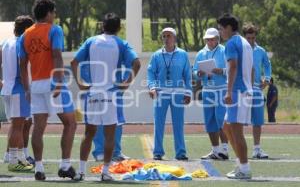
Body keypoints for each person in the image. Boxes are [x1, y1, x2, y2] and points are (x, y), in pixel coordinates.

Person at [71, 12, 140, 181]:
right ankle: (106, 172)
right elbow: (136, 63)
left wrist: (80, 83)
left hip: (93, 93)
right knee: (110, 135)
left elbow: (74, 62)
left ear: (102, 25)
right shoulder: (122, 44)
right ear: (119, 28)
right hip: (111, 94)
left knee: (89, 134)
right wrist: (126, 83)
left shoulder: (91, 41)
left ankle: (80, 171)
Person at [18, 0, 77, 180]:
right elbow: (57, 55)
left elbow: (22, 64)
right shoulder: (55, 30)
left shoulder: (25, 34)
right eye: (54, 12)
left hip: (35, 85)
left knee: (39, 127)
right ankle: (65, 165)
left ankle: (39, 168)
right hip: (53, 82)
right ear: (49, 13)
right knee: (70, 123)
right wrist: (59, 82)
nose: (55, 15)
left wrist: (27, 88)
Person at [217, 13, 253, 179]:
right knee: (226, 127)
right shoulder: (245, 42)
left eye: (221, 28)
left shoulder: (232, 43)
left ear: (229, 28)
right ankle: (240, 164)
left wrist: (229, 91)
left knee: (236, 131)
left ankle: (244, 169)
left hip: (238, 92)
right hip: (243, 90)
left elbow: (233, 67)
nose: (220, 32)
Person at [147, 27, 192, 161]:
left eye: (169, 36)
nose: (166, 39)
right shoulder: (156, 55)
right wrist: (152, 87)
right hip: (161, 93)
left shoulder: (183, 54)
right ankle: (158, 152)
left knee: (178, 123)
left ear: (174, 38)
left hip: (178, 93)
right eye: (164, 36)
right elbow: (150, 73)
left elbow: (187, 75)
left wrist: (188, 92)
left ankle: (181, 152)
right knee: (159, 123)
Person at [0, 15, 34, 172]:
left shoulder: (6, 42)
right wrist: (27, 88)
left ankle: (19, 157)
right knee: (18, 125)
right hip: (18, 88)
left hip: (7, 88)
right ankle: (14, 160)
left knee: (17, 125)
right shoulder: (22, 43)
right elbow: (22, 68)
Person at [193, 28, 229, 160]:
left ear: (217, 39)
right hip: (207, 89)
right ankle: (215, 150)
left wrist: (222, 71)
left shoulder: (224, 51)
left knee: (222, 120)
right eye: (207, 39)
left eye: (212, 39)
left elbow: (232, 69)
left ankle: (224, 150)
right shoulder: (201, 54)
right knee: (209, 121)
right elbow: (195, 71)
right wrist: (199, 74)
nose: (209, 41)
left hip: (222, 89)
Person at [242, 23, 272, 159]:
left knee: (258, 121)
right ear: (244, 37)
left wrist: (267, 79)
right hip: (241, 89)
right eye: (248, 38)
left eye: (253, 38)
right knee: (238, 121)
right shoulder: (239, 50)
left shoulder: (260, 51)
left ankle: (256, 149)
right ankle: (239, 149)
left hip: (256, 89)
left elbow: (267, 65)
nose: (251, 40)